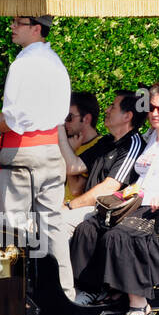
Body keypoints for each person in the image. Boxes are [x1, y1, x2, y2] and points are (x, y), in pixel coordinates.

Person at [0, 14, 76, 300]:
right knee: (52, 226)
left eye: (18, 22)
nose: (12, 26)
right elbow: (31, 114)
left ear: (36, 28)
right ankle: (65, 294)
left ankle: (8, 297)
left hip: (22, 152)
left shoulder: (24, 62)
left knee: (8, 226)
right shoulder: (55, 62)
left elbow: (15, 118)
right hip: (51, 151)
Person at [70, 83, 159, 315]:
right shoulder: (152, 139)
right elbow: (143, 180)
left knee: (119, 235)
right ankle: (91, 289)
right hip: (140, 206)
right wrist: (124, 194)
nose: (155, 114)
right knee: (89, 227)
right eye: (151, 108)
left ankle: (140, 304)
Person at [62, 91, 145, 235]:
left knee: (56, 224)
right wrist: (59, 129)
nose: (106, 110)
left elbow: (108, 189)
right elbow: (73, 167)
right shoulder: (106, 142)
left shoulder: (132, 144)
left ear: (127, 116)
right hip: (90, 210)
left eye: (113, 107)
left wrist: (69, 206)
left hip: (107, 212)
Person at [63, 92, 110, 201]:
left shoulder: (98, 146)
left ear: (87, 119)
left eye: (69, 117)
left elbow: (75, 190)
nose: (65, 123)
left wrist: (71, 152)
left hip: (75, 211)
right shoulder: (70, 141)